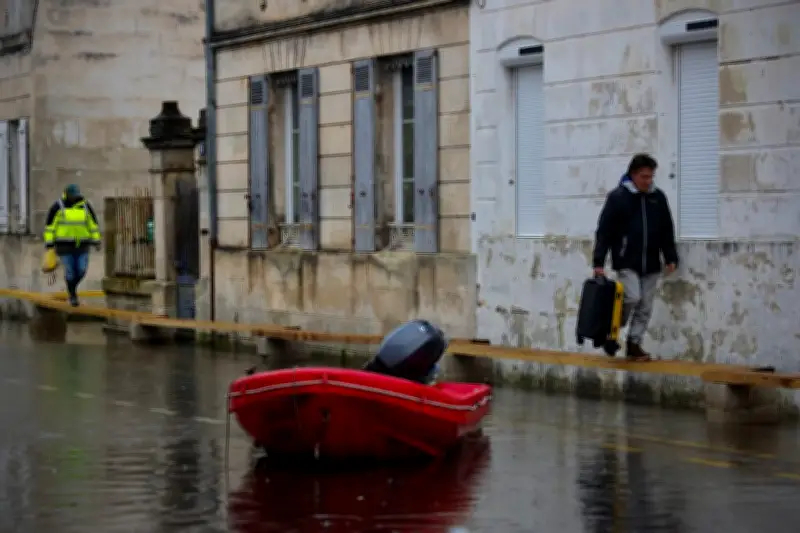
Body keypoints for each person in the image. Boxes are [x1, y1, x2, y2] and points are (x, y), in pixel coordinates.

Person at [591, 154, 678, 361]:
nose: (648, 181)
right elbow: (604, 231)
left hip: (651, 261)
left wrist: (670, 256)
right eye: (644, 177)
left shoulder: (658, 198)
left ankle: (634, 344)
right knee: (632, 297)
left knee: (645, 306)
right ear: (633, 175)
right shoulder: (618, 197)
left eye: (651, 176)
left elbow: (667, 229)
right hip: (626, 259)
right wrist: (598, 262)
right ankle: (611, 328)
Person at [43, 184, 101, 307]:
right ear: (67, 194)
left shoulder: (85, 206)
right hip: (64, 246)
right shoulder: (57, 207)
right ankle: (72, 295)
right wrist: (49, 244)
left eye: (76, 195)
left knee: (81, 270)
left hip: (82, 245)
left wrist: (96, 240)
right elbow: (50, 227)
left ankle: (72, 289)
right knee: (70, 271)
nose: (75, 197)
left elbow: (93, 225)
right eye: (73, 195)